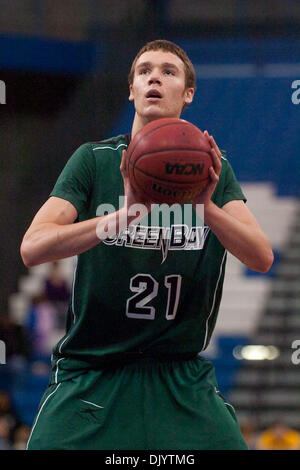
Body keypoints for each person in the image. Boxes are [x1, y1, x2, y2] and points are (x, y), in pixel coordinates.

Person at [20, 39, 273, 450]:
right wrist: (124, 216)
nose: (155, 76)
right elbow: (33, 247)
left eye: (169, 71)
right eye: (144, 71)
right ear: (132, 89)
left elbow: (261, 256)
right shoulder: (93, 159)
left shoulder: (213, 168)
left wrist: (205, 207)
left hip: (179, 375)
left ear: (188, 93)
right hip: (92, 371)